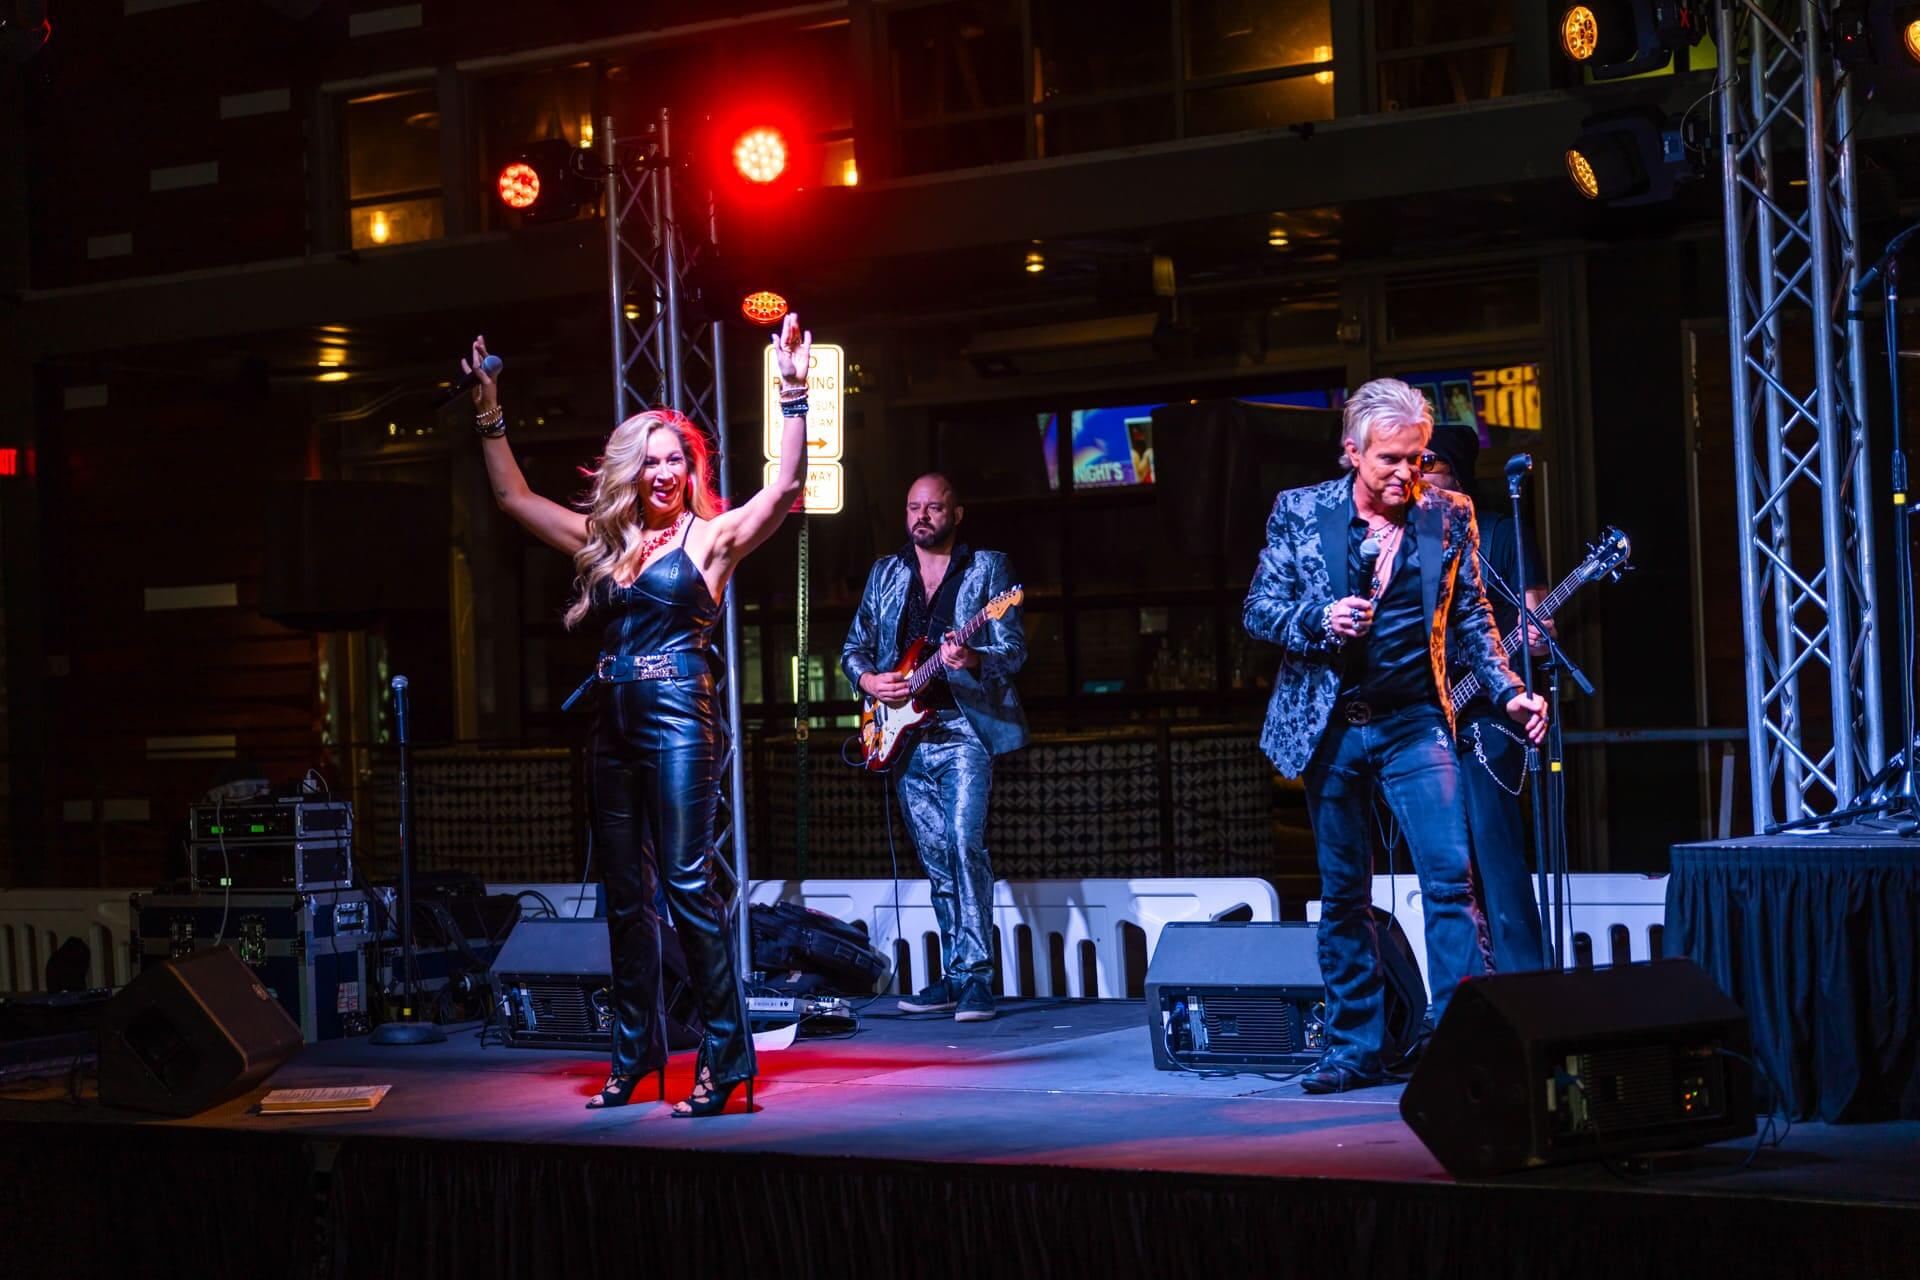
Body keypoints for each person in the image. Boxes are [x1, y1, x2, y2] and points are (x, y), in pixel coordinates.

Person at [467, 314, 813, 1116]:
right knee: (624, 899)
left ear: (691, 469)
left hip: (682, 718)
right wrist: (489, 409)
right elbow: (513, 498)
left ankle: (727, 1059)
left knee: (688, 885)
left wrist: (792, 394)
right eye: (650, 460)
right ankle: (635, 1056)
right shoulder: (606, 542)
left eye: (674, 460)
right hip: (613, 726)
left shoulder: (711, 540)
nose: (663, 472)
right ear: (633, 470)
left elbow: (786, 488)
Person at [1242, 378, 1547, 1094]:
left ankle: (1459, 1040)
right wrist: (1318, 619)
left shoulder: (1450, 514)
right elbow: (1258, 609)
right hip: (1331, 727)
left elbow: (1472, 618)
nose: (1406, 472)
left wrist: (1509, 692)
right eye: (1390, 459)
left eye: (1417, 457)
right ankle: (1355, 1048)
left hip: (1415, 721)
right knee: (1344, 892)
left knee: (1449, 881)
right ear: (1352, 452)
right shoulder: (1300, 510)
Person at [841, 474, 1027, 1023]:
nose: (921, 516)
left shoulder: (987, 569)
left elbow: (1014, 650)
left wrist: (973, 657)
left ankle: (978, 977)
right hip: (903, 735)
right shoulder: (886, 572)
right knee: (937, 859)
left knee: (965, 846)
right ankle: (954, 974)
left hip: (963, 729)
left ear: (956, 513)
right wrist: (870, 681)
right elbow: (853, 649)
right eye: (913, 507)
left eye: (934, 508)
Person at [1420, 425, 1552, 974]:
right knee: (1444, 868)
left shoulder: (1497, 533)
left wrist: (1534, 639)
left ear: (1457, 473)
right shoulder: (1407, 540)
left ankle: (1526, 982)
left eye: (1430, 463)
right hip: (1428, 719)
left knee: (1496, 858)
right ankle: (1461, 989)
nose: (1418, 474)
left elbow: (1537, 628)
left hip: (1489, 717)